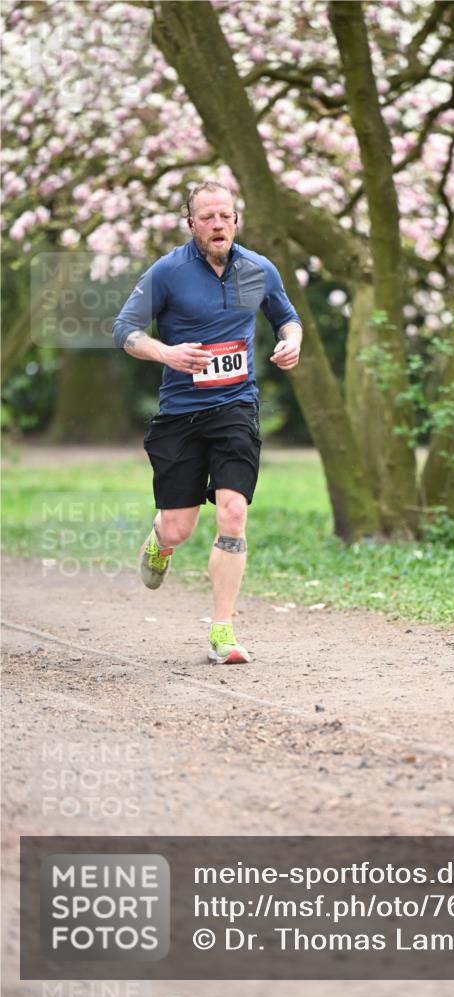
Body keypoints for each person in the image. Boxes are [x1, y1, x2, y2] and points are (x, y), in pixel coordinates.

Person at [112, 181, 302, 664]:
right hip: (180, 413)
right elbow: (125, 330)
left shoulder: (258, 269)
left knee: (233, 510)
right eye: (208, 218)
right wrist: (166, 352)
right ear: (191, 222)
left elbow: (287, 317)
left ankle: (223, 631)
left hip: (236, 407)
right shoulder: (168, 272)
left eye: (226, 216)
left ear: (236, 220)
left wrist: (290, 340)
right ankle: (161, 543)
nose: (218, 225)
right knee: (179, 528)